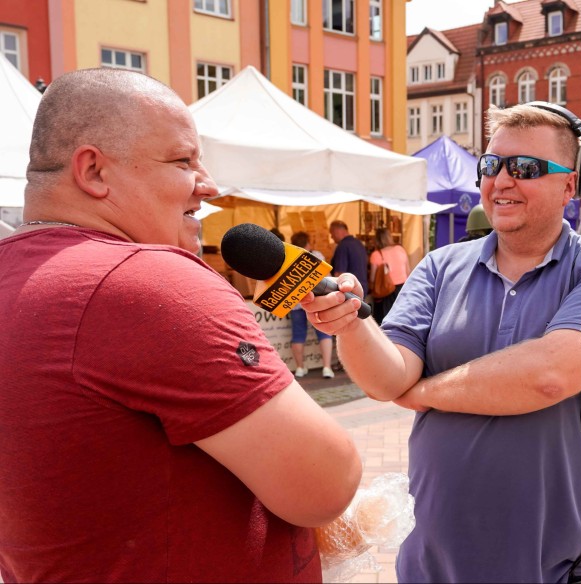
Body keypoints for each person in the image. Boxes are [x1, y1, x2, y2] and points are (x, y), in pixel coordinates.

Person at [0, 68, 362, 583]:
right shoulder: (147, 281)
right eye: (182, 161)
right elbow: (326, 484)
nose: (208, 185)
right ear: (94, 171)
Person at [301, 102, 581, 582]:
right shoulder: (440, 266)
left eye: (525, 168)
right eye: (491, 164)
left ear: (570, 185)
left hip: (552, 567)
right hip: (431, 561)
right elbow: (387, 379)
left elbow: (548, 375)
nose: (501, 181)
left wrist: (423, 392)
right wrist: (352, 325)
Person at [290, 231, 336, 379]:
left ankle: (299, 368)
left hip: (296, 302)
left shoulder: (289, 258)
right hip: (316, 301)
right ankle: (327, 367)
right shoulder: (316, 256)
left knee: (298, 335)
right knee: (324, 332)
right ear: (307, 243)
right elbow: (327, 279)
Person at [368, 227, 410, 324]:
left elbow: (372, 279)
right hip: (402, 289)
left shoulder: (376, 255)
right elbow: (408, 271)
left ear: (377, 240)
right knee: (401, 319)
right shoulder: (400, 249)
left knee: (384, 321)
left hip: (385, 291)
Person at [329, 220, 369, 299]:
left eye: (332, 233)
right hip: (361, 288)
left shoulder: (342, 246)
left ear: (337, 231)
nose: (331, 237)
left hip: (349, 291)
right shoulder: (359, 243)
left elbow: (339, 274)